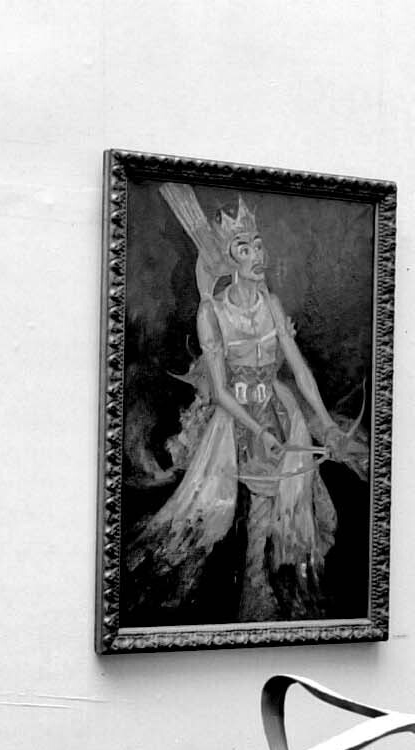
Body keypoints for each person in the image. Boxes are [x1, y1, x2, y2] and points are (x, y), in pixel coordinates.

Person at [125, 189, 366, 622]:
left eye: (257, 244)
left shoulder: (272, 304)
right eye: (243, 247)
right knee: (254, 502)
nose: (257, 254)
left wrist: (327, 424)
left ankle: (280, 579)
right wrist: (259, 432)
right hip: (238, 419)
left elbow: (299, 369)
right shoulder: (211, 314)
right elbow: (220, 392)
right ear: (227, 257)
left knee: (313, 511)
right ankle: (255, 592)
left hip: (280, 411)